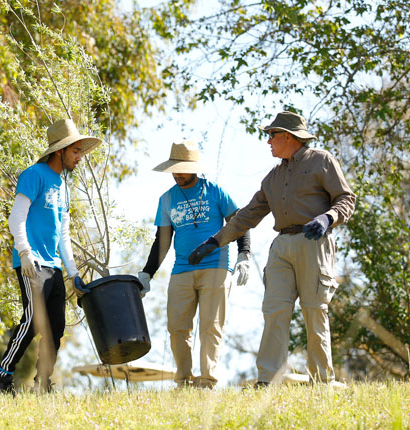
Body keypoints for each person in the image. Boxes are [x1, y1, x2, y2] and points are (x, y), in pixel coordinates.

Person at [189, 111, 355, 386]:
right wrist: (214, 241)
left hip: (314, 242)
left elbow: (346, 198)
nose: (268, 141)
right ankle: (267, 381)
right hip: (281, 247)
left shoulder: (321, 161)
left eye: (271, 135)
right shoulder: (272, 178)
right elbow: (247, 215)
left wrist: (327, 218)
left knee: (314, 311)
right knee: (274, 311)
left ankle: (322, 382)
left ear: (288, 137)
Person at [0, 119, 100, 395]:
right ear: (60, 151)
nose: (78, 158)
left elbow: (63, 235)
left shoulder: (63, 186)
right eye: (75, 152)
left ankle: (43, 382)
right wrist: (24, 253)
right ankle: (3, 376)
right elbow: (16, 219)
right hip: (32, 262)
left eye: (80, 153)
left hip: (53, 266)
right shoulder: (33, 175)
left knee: (55, 326)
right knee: (32, 319)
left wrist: (73, 273)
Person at [137, 140, 251, 389]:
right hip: (182, 270)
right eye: (174, 169)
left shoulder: (214, 191)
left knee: (210, 327)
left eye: (182, 168)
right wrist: (147, 274)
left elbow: (239, 222)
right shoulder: (166, 199)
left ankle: (207, 381)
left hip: (216, 267)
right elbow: (162, 241)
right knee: (177, 327)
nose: (177, 174)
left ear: (195, 168)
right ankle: (183, 381)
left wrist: (244, 254)